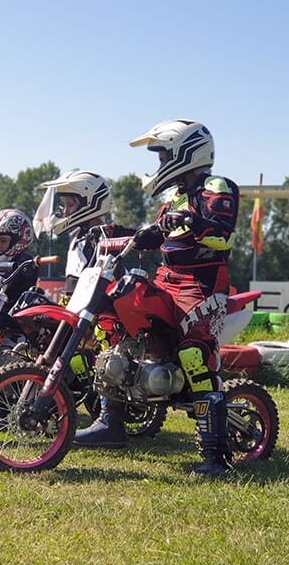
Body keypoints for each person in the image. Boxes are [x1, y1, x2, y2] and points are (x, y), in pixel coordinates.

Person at [74, 118, 239, 476]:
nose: (161, 164)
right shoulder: (175, 198)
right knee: (120, 323)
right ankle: (110, 422)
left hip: (202, 281)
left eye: (165, 155)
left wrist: (194, 221)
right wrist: (115, 234)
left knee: (195, 353)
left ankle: (216, 456)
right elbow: (154, 237)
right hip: (167, 277)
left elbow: (223, 232)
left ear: (186, 153)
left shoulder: (217, 186)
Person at [35, 169, 113, 299]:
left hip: (92, 308)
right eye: (64, 205)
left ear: (90, 203)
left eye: (70, 205)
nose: (65, 212)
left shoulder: (105, 236)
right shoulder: (76, 234)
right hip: (71, 301)